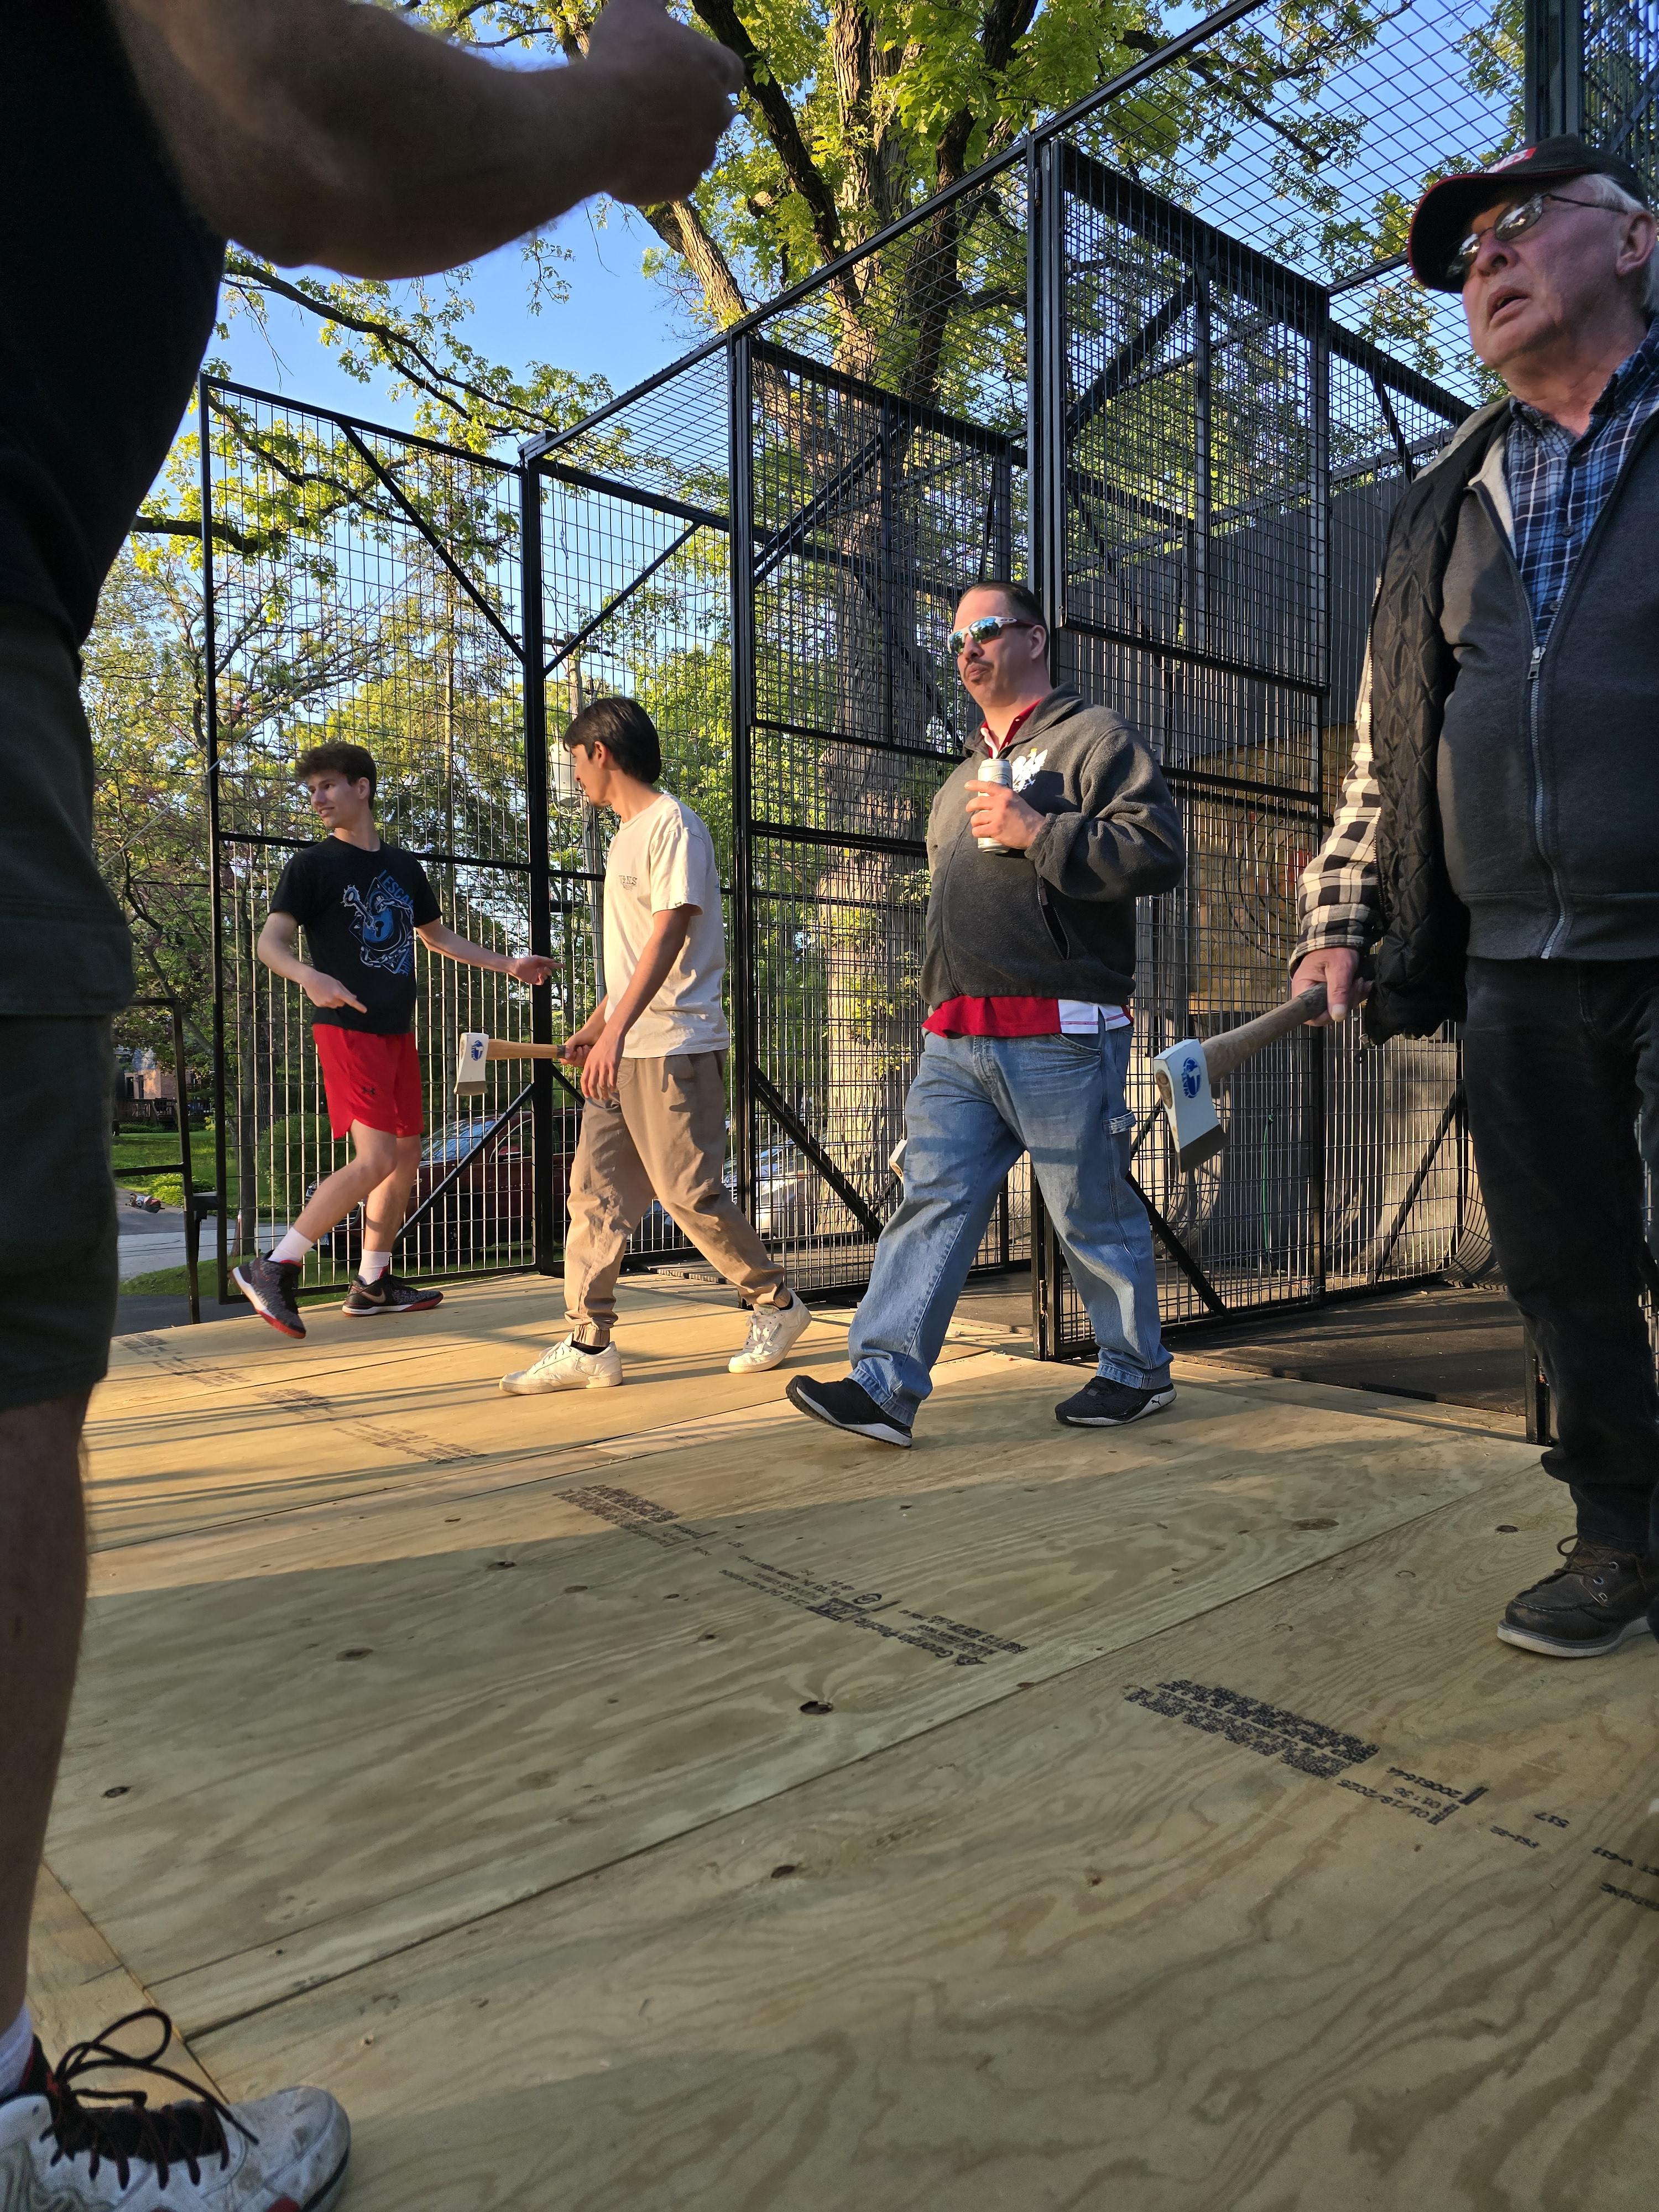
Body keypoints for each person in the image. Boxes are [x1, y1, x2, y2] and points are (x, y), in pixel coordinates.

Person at [0, 3, 740, 2205]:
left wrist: (529, 986)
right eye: (329, 777)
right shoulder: (324, 865)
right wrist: (615, 106)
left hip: (440, 1016)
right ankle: (293, 1250)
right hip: (353, 1025)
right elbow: (310, 119)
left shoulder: (415, 855)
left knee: (450, 1164)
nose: (343, 795)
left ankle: (377, 1263)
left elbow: (474, 944)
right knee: (357, 1187)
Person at [1291, 135, 1659, 1661]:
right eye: (1465, 258)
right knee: (1562, 1274)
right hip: (1510, 958)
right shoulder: (1451, 489)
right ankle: (1623, 1537)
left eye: (1517, 228)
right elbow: (1392, 734)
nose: (1485, 265)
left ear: (1635, 240)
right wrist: (1339, 916)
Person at [785, 581, 1186, 1449]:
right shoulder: (959, 780)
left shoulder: (1096, 738)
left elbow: (1157, 853)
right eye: (957, 639)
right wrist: (934, 1008)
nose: (967, 651)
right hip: (957, 1038)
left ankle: (1136, 1372)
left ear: (1036, 638)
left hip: (1063, 1031)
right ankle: (883, 1386)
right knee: (928, 1203)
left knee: (1088, 1209)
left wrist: (1039, 829)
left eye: (986, 631)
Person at [500, 698, 811, 1393]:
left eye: (574, 760)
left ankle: (777, 1304)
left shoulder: (673, 826)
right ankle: (589, 1342)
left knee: (689, 1194)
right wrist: (595, 1024)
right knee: (595, 1194)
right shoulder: (624, 838)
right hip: (627, 1045)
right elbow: (635, 953)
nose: (573, 775)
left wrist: (615, 1030)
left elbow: (670, 937)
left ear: (600, 753)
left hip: (675, 1045)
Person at [234, 741, 556, 1337]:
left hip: (395, 1032)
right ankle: (275, 1265)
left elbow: (440, 939)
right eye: (312, 791)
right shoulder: (310, 867)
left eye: (327, 785)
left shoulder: (406, 869)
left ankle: (372, 1280)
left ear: (363, 787)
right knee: (377, 1158)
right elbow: (270, 943)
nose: (318, 799)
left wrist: (510, 964)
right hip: (346, 1027)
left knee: (407, 1155)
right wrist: (309, 976)